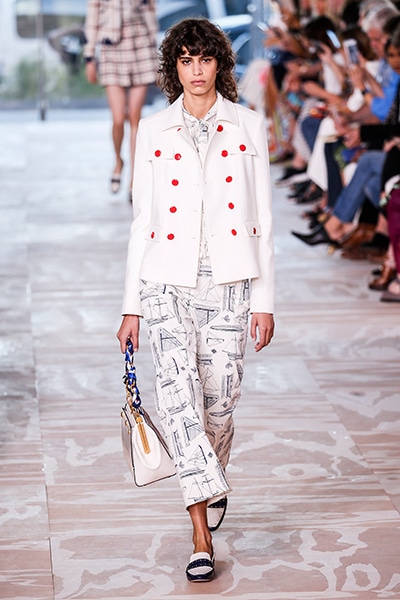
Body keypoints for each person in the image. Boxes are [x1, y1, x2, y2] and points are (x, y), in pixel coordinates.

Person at [116, 17, 275, 583]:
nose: (196, 70)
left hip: (230, 280)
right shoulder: (153, 129)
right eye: (186, 60)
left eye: (204, 59)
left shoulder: (248, 125)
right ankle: (200, 534)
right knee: (179, 403)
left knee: (220, 405)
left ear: (219, 64)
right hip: (166, 281)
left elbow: (263, 219)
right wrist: (131, 305)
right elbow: (142, 220)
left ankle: (212, 476)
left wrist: (265, 299)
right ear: (174, 68)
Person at [83, 0, 158, 201]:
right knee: (118, 119)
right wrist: (89, 57)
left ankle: (134, 180)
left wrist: (158, 57)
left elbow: (151, 13)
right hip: (111, 46)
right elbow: (92, 20)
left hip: (141, 46)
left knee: (135, 118)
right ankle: (118, 161)